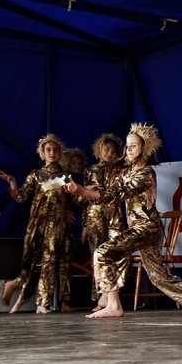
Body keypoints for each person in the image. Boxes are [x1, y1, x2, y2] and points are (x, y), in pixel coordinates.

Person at [64, 123, 182, 318]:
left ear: (144, 149)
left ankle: (113, 305)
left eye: (133, 146)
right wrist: (85, 190)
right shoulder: (126, 173)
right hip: (144, 228)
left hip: (147, 228)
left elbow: (117, 194)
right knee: (158, 277)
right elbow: (109, 191)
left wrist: (82, 190)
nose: (128, 149)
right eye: (127, 146)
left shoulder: (145, 173)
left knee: (103, 253)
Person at [0, 133, 70, 314]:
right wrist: (12, 182)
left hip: (56, 225)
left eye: (55, 149)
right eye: (48, 149)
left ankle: (42, 303)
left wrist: (86, 192)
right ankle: (17, 287)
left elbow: (73, 197)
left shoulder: (65, 176)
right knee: (29, 262)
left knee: (49, 261)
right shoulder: (36, 175)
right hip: (37, 224)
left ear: (59, 153)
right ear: (42, 153)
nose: (52, 152)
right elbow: (21, 197)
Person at [82, 133, 126, 310]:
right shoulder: (90, 170)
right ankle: (100, 296)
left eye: (113, 151)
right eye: (106, 150)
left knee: (119, 251)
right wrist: (85, 224)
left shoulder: (120, 170)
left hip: (114, 213)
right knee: (97, 255)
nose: (110, 153)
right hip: (95, 215)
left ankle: (112, 294)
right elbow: (82, 198)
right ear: (99, 151)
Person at [58, 147, 87, 312]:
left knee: (66, 262)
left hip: (72, 226)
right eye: (74, 162)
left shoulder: (81, 180)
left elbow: (83, 205)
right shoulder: (62, 179)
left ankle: (65, 301)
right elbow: (48, 199)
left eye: (79, 163)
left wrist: (85, 224)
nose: (77, 165)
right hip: (56, 224)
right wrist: (62, 211)